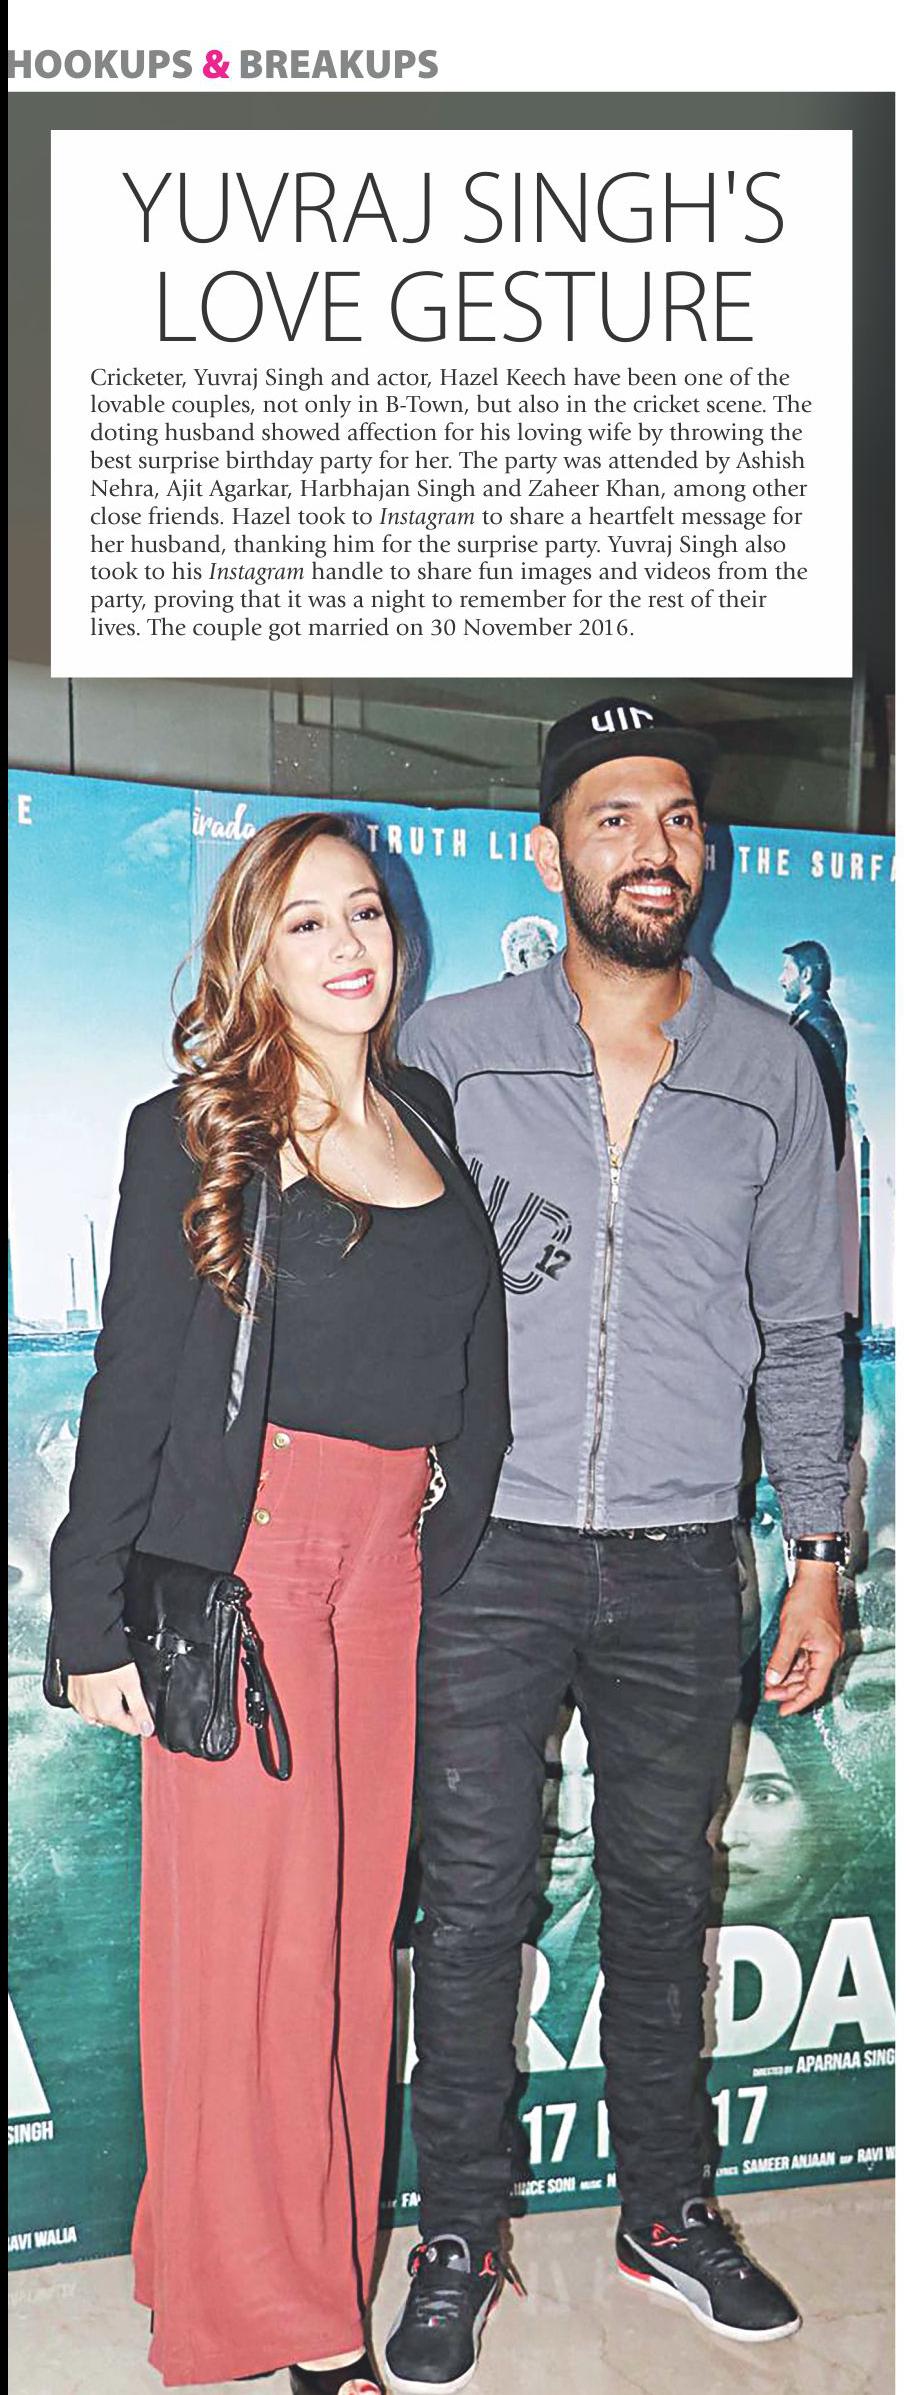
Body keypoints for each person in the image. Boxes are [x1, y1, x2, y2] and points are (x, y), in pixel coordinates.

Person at [384, 697, 848, 2387]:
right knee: (471, 1905)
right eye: (611, 818)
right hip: (485, 1552)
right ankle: (458, 2232)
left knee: (662, 1895)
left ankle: (664, 2210)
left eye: (677, 819)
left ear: (702, 851)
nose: (652, 849)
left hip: (676, 1557)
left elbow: (801, 1328)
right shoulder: (443, 1049)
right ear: (546, 852)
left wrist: (817, 1551)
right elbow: (372, 1293)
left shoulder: (772, 1068)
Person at [45, 813, 509, 2395]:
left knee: (346, 1947)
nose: (346, 944)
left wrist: (441, 1529)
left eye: (361, 910)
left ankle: (239, 2250)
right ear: (253, 951)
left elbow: (463, 1357)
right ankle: (297, 2319)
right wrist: (88, 1619)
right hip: (246, 1565)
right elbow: (130, 1378)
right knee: (252, 1953)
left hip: (387, 1566)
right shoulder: (197, 1128)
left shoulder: (425, 1110)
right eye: (303, 920)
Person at [779, 938, 848, 1164]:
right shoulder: (811, 1017)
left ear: (806, 974)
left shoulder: (818, 1021)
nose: (781, 979)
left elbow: (810, 1090)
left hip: (809, 1151)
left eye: (787, 970)